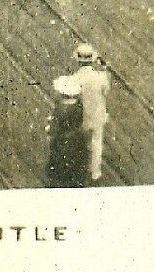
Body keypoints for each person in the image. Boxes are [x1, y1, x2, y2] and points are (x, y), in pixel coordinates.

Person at [70, 44, 111, 182]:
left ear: (78, 61)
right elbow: (106, 90)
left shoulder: (75, 78)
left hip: (81, 116)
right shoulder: (100, 77)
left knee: (79, 142)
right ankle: (95, 172)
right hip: (98, 114)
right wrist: (104, 69)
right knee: (96, 143)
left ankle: (78, 169)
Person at [45, 76, 89, 188]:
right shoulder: (78, 105)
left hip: (62, 140)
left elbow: (55, 125)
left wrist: (50, 131)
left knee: (60, 163)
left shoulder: (61, 108)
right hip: (77, 139)